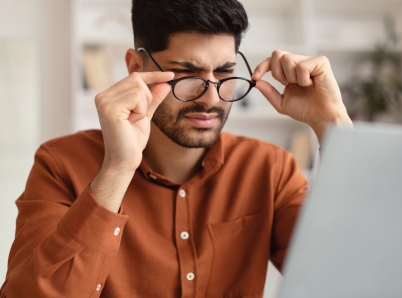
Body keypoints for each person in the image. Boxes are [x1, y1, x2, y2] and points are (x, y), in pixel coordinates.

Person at [0, 0, 352, 297]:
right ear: (136, 68)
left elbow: (348, 280)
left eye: (226, 72)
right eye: (188, 74)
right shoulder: (61, 164)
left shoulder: (271, 168)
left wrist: (333, 125)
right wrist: (117, 169)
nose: (212, 99)